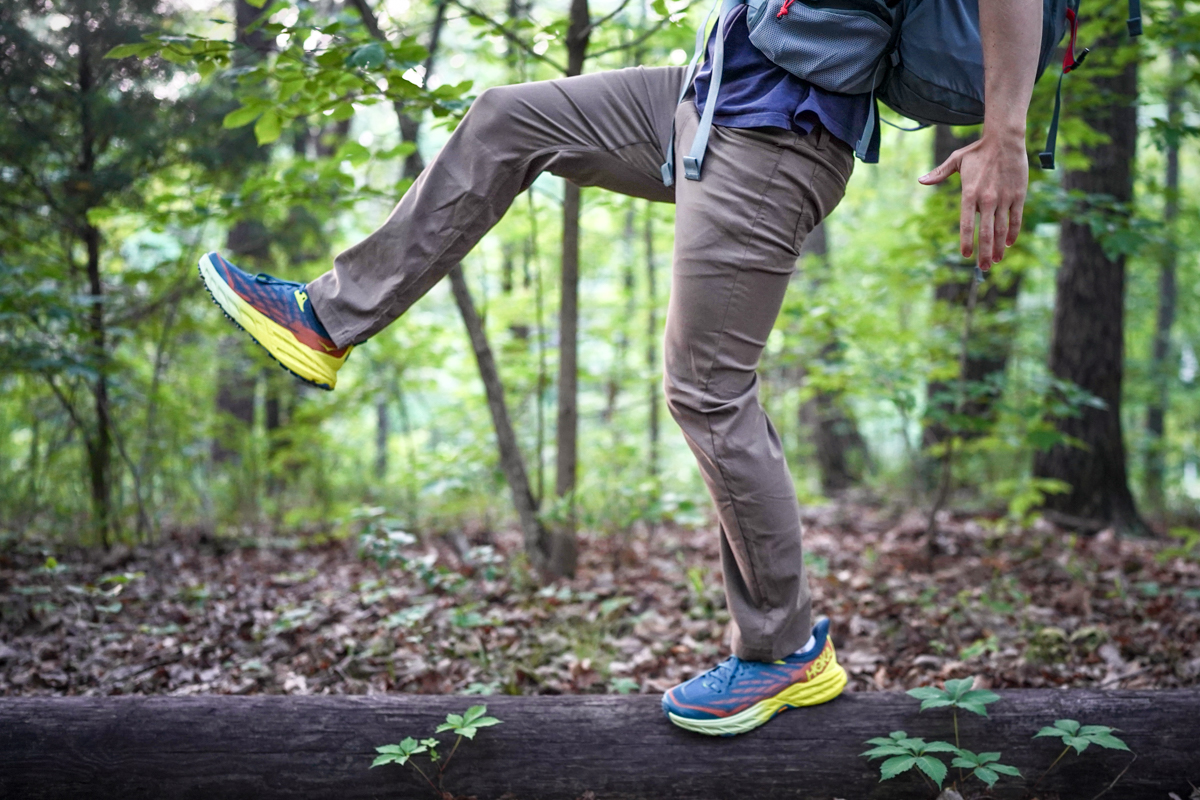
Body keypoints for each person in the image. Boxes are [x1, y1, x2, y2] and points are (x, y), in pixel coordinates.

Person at [198, 0, 1040, 736]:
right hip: (711, 96)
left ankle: (785, 651)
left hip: (781, 134)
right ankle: (326, 320)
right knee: (505, 118)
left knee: (707, 393)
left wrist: (1004, 134)